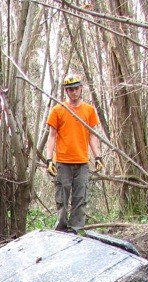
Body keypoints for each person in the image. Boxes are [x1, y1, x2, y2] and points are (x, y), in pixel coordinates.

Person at [44, 74, 104, 232]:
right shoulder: (58, 110)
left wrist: (98, 157)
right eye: (70, 89)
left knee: (80, 198)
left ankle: (75, 230)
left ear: (81, 88)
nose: (73, 92)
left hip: (82, 162)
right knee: (62, 199)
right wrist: (49, 159)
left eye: (76, 88)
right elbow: (51, 136)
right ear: (66, 91)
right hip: (63, 162)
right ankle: (61, 230)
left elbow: (92, 135)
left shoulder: (89, 110)